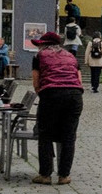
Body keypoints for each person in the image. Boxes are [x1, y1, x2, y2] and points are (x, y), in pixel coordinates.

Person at [30, 30, 84, 185]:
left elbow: (36, 80)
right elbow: (78, 79)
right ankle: (64, 175)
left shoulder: (39, 56)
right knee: (69, 136)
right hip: (74, 96)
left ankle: (45, 175)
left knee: (45, 134)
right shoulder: (71, 56)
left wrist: (44, 95)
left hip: (51, 93)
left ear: (43, 45)